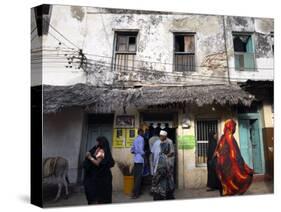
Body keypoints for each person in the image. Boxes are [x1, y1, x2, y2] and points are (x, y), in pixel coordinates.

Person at [214, 119, 254, 196]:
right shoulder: (230, 138)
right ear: (231, 127)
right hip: (228, 165)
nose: (234, 129)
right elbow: (235, 153)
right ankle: (229, 192)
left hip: (221, 165)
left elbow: (217, 151)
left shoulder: (222, 137)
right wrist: (243, 165)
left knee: (225, 181)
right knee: (232, 181)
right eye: (234, 127)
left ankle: (225, 192)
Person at [83, 136, 115, 204]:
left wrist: (89, 157)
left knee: (101, 196)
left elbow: (97, 163)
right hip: (104, 176)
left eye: (97, 141)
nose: (96, 143)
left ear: (101, 142)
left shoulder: (102, 150)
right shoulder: (100, 149)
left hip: (102, 178)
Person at [151, 130, 175, 200]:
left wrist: (165, 156)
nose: (161, 137)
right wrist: (153, 162)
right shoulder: (157, 142)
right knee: (158, 179)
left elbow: (172, 152)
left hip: (166, 164)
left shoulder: (169, 142)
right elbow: (152, 153)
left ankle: (167, 194)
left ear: (165, 136)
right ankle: (159, 194)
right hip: (158, 164)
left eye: (162, 136)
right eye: (160, 136)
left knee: (167, 180)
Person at [130, 128, 145, 199]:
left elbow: (132, 150)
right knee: (138, 178)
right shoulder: (141, 139)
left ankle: (136, 191)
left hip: (136, 160)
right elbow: (140, 149)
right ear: (141, 132)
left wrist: (135, 153)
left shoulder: (135, 139)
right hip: (140, 160)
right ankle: (136, 194)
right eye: (143, 132)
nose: (143, 133)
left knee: (136, 177)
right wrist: (144, 155)